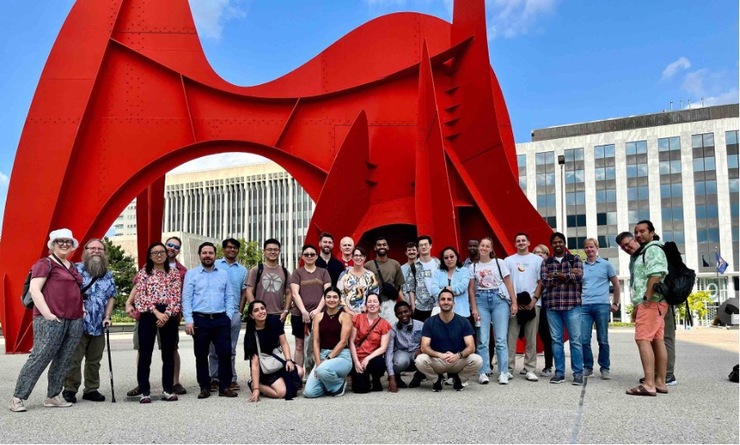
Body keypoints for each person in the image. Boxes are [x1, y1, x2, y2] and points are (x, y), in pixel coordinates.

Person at [10, 229, 84, 412]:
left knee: (64, 359)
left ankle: (53, 396)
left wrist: (82, 309)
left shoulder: (72, 266)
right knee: (40, 357)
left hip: (74, 318)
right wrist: (48, 314)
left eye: (68, 241)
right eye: (60, 241)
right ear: (53, 244)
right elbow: (35, 290)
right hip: (51, 318)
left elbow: (76, 290)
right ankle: (18, 397)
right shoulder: (45, 263)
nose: (65, 244)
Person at [126, 236, 188, 397]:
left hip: (168, 314)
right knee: (145, 353)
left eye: (162, 252)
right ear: (150, 255)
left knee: (168, 353)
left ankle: (168, 389)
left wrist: (166, 315)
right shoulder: (143, 273)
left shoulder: (174, 273)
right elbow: (141, 296)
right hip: (148, 313)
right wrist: (156, 313)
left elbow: (176, 296)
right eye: (155, 252)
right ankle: (144, 391)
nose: (159, 255)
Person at [617, 221, 669, 396]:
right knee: (657, 340)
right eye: (636, 232)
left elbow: (656, 274)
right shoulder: (641, 253)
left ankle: (649, 384)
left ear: (652, 232)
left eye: (642, 231)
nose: (639, 235)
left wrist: (646, 297)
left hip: (651, 302)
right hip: (655, 303)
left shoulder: (652, 249)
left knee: (643, 339)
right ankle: (660, 382)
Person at [62, 239, 117, 403]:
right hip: (78, 323)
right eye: (92, 248)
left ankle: (91, 389)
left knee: (94, 360)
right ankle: (70, 389)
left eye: (100, 248)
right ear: (85, 251)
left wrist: (107, 317)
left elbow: (111, 297)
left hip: (99, 324)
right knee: (74, 359)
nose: (96, 251)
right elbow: (66, 293)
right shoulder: (75, 270)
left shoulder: (108, 274)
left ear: (104, 252)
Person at [183, 242, 238, 399]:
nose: (207, 255)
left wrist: (228, 316)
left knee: (225, 354)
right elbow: (186, 298)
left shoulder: (223, 274)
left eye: (210, 253)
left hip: (221, 319)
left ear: (215, 255)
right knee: (201, 355)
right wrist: (188, 320)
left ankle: (225, 386)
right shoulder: (191, 274)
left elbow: (229, 296)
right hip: (200, 320)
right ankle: (204, 387)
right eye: (204, 253)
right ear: (199, 255)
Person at [468, 237, 517, 385]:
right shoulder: (473, 266)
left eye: (487, 246)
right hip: (481, 299)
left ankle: (503, 372)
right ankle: (483, 371)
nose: (483, 248)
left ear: (491, 249)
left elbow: (508, 283)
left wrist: (514, 302)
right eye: (482, 245)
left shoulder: (499, 262)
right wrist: (474, 307)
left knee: (501, 339)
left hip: (499, 299)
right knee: (483, 339)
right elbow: (471, 289)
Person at [414, 289, 483, 391]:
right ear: (438, 303)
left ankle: (459, 379)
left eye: (449, 299)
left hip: (457, 360)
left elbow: (471, 347)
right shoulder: (429, 322)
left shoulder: (463, 321)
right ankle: (436, 380)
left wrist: (458, 355)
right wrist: (439, 355)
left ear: (454, 303)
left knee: (477, 360)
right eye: (443, 299)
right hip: (438, 360)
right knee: (420, 360)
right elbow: (424, 347)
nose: (446, 302)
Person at [540, 232, 584, 386]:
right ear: (551, 245)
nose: (558, 244)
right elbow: (545, 281)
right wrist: (567, 275)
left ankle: (578, 373)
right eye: (555, 242)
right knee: (556, 340)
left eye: (560, 242)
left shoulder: (574, 259)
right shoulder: (546, 262)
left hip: (572, 305)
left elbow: (579, 277)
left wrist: (557, 275)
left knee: (575, 340)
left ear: (564, 243)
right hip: (553, 307)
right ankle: (559, 372)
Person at [244, 300, 304, 401]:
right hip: (264, 368)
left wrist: (288, 360)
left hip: (277, 360)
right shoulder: (251, 335)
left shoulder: (274, 322)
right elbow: (255, 363)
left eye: (262, 308)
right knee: (281, 393)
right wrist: (256, 389)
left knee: (300, 372)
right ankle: (254, 384)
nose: (261, 312)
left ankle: (280, 381)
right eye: (256, 310)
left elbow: (284, 343)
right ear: (251, 315)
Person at [209, 238, 248, 392]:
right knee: (214, 348)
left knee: (230, 348)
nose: (232, 250)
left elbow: (244, 292)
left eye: (235, 248)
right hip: (216, 312)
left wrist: (240, 311)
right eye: (229, 247)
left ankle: (231, 378)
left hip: (234, 313)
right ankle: (214, 378)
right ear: (223, 249)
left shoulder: (243, 270)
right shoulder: (215, 264)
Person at [504, 233, 543, 382]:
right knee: (511, 338)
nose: (521, 243)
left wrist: (534, 300)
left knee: (531, 339)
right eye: (518, 241)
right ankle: (508, 369)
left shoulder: (537, 260)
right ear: (515, 244)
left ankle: (530, 369)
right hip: (514, 305)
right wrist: (514, 302)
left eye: (523, 240)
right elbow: (506, 282)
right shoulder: (508, 261)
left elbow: (541, 282)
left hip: (532, 304)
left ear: (528, 243)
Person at [581, 238, 620, 380]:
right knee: (584, 339)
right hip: (584, 306)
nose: (589, 249)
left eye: (592, 247)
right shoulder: (581, 266)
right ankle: (588, 367)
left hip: (601, 305)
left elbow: (616, 284)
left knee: (602, 339)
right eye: (587, 247)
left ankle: (605, 368)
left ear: (597, 248)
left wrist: (615, 303)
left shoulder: (606, 265)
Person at [304, 287, 354, 398]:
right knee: (309, 392)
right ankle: (329, 384)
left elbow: (343, 342)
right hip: (322, 355)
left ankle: (339, 384)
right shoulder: (318, 317)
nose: (332, 300)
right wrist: (318, 363)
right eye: (329, 297)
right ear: (325, 299)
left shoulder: (345, 316)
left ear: (340, 300)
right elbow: (316, 341)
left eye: (335, 297)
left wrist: (327, 360)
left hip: (342, 356)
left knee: (322, 370)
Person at [289, 244, 331, 369]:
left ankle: (316, 372)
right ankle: (298, 374)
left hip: (320, 314)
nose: (309, 256)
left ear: (316, 256)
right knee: (299, 346)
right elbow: (295, 293)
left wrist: (318, 310)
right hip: (299, 315)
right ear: (302, 256)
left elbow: (327, 293)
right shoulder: (297, 273)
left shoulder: (323, 272)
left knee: (319, 345)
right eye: (306, 254)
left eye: (312, 254)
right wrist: (304, 311)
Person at [349, 293, 391, 393]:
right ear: (366, 305)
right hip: (357, 357)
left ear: (380, 305)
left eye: (375, 302)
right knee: (361, 389)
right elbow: (351, 341)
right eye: (369, 302)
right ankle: (365, 379)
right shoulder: (358, 318)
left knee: (379, 364)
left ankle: (375, 378)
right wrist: (356, 362)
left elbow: (383, 347)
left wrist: (367, 358)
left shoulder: (384, 324)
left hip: (372, 358)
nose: (372, 304)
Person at [243, 239, 290, 322]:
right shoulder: (256, 270)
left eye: (276, 250)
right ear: (264, 251)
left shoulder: (285, 272)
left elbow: (289, 293)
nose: (273, 252)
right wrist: (256, 310)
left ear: (279, 251)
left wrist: (285, 311)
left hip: (278, 315)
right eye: (269, 249)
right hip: (259, 315)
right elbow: (249, 291)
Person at [430, 246, 475, 328]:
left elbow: (462, 287)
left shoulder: (464, 271)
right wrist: (453, 291)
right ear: (442, 260)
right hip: (442, 314)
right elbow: (434, 290)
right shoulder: (437, 273)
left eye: (452, 256)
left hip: (461, 312)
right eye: (446, 258)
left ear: (456, 257)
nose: (449, 259)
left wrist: (444, 290)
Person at [386, 301, 425, 392]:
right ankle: (397, 378)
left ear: (410, 311)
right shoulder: (393, 329)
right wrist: (391, 377)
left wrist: (422, 349)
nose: (403, 315)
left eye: (405, 311)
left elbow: (429, 343)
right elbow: (389, 353)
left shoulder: (421, 325)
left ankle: (418, 377)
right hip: (401, 354)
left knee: (423, 357)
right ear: (396, 315)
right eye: (400, 313)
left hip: (416, 353)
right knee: (401, 362)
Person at [365, 236, 405, 323]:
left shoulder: (395, 264)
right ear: (375, 248)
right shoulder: (368, 265)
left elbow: (398, 285)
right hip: (373, 303)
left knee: (391, 328)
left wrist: (403, 302)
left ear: (388, 247)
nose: (382, 246)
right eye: (379, 245)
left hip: (390, 303)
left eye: (384, 244)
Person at [336, 246, 378, 315]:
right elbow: (339, 294)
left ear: (365, 258)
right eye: (356, 255)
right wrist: (349, 311)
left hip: (365, 314)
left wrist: (365, 308)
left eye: (361, 255)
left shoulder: (370, 275)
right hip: (346, 314)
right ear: (352, 257)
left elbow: (375, 294)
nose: (358, 258)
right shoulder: (344, 275)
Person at [533, 244, 554, 377]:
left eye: (543, 252)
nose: (539, 254)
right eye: (536, 252)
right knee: (530, 335)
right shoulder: (530, 268)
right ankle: (529, 366)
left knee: (547, 336)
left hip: (547, 305)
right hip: (532, 304)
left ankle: (548, 366)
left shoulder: (551, 268)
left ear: (547, 255)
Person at [409, 235, 440, 322]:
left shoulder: (438, 264)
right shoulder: (413, 266)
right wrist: (413, 305)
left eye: (426, 244)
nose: (423, 247)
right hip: (421, 306)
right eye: (421, 245)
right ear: (418, 248)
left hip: (438, 303)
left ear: (430, 246)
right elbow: (411, 288)